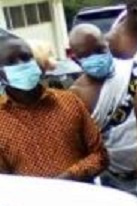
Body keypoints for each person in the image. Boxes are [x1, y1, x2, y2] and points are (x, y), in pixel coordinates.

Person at [0, 35, 107, 179]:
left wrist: (69, 176)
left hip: (83, 195)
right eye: (11, 62)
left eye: (26, 58)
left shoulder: (69, 101)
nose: (21, 64)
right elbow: (5, 183)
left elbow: (100, 155)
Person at [69, 24, 137, 196]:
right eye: (86, 54)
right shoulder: (75, 96)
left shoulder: (134, 70)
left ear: (107, 44)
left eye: (99, 49)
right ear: (74, 57)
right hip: (117, 179)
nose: (96, 57)